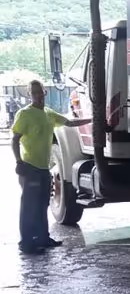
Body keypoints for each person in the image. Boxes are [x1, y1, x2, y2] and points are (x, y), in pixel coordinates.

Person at [11, 80, 91, 254]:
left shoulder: (48, 113)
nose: (38, 95)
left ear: (45, 92)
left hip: (44, 168)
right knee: (29, 206)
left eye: (40, 92)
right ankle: (26, 242)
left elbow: (69, 123)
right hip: (30, 167)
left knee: (42, 205)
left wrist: (93, 119)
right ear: (29, 95)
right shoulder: (24, 114)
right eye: (34, 93)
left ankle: (43, 238)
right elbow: (15, 139)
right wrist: (18, 162)